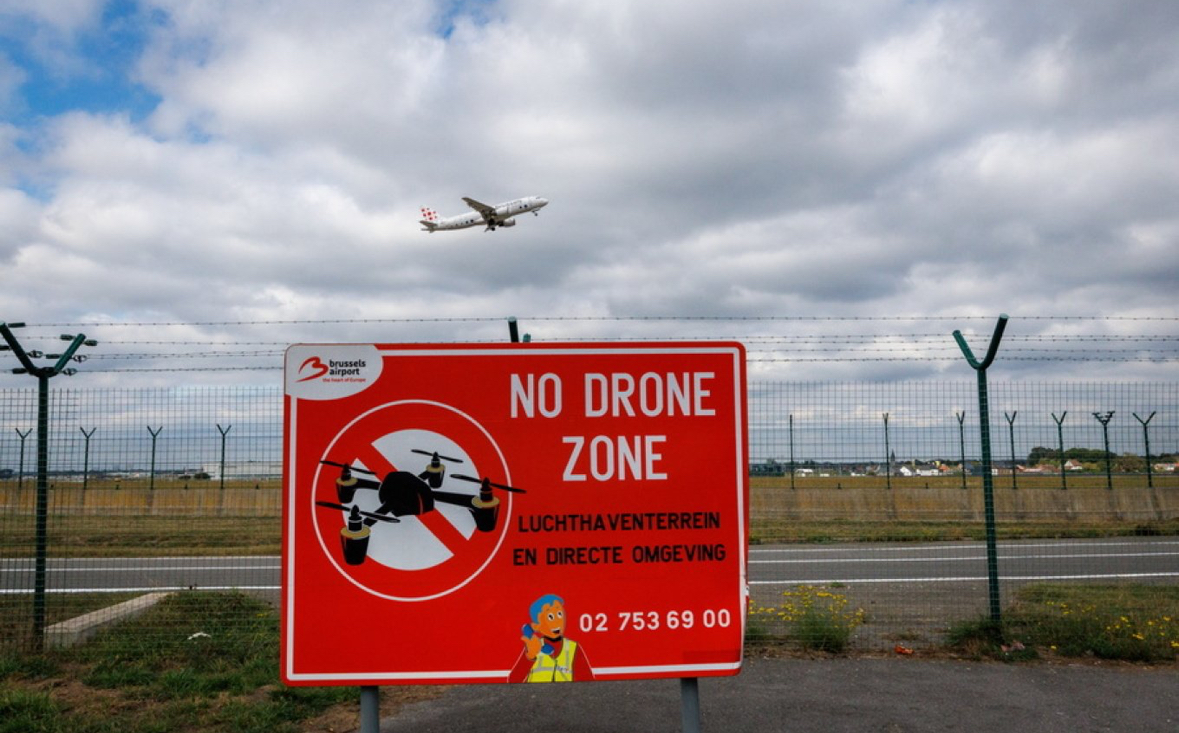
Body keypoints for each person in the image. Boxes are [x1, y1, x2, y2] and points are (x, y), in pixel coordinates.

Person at [508, 593, 594, 682]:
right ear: (536, 626)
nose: (557, 621)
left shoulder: (574, 648)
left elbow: (588, 682)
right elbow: (513, 681)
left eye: (560, 614)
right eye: (550, 617)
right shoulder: (532, 646)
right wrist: (530, 657)